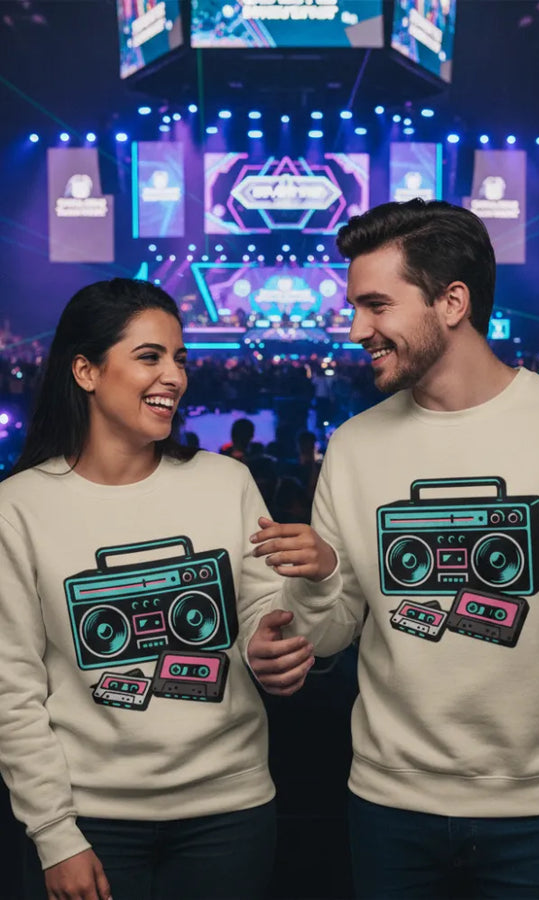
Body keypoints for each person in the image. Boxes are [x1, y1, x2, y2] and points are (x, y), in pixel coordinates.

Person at [248, 199, 539, 900]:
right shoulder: (354, 446)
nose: (357, 330)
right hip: (389, 802)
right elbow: (330, 633)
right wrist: (321, 578)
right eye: (355, 307)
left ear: (452, 302)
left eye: (376, 305)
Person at [0, 278, 328, 900]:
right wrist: (55, 833)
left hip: (229, 809)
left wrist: (275, 632)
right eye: (149, 357)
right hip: (91, 818)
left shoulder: (225, 482)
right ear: (85, 371)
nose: (174, 376)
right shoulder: (18, 508)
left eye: (179, 358)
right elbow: (12, 689)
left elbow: (264, 610)